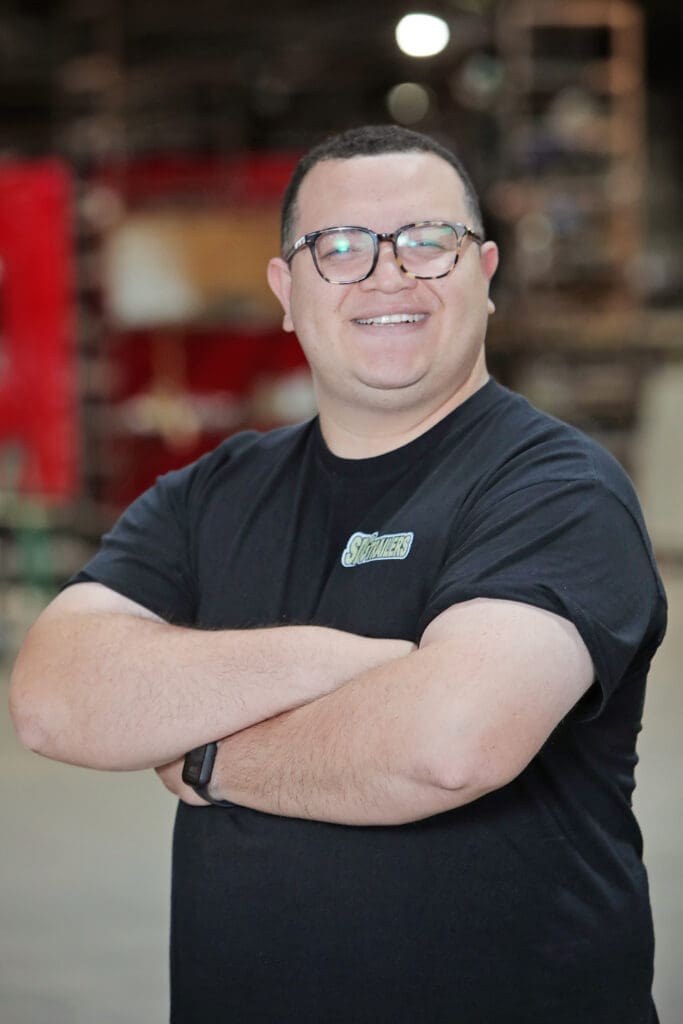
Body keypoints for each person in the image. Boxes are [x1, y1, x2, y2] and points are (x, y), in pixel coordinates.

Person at [9, 125, 666, 1024]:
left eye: (428, 242)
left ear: (484, 272)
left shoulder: (557, 490)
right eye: (340, 248)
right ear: (287, 292)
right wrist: (342, 661)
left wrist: (206, 752)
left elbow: (446, 749)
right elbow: (53, 700)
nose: (387, 275)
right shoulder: (211, 492)